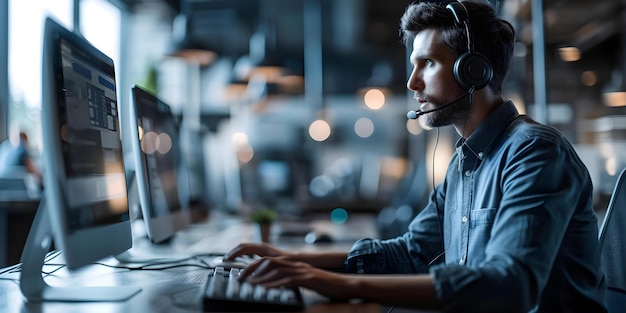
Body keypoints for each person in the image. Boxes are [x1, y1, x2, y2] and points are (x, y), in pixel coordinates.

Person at [224, 1, 607, 312]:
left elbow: (511, 286)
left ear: (473, 70)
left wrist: (339, 284)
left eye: (427, 63)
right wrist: (296, 261)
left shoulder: (534, 152)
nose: (412, 83)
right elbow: (410, 252)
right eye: (413, 65)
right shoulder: (465, 163)